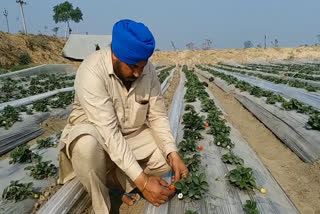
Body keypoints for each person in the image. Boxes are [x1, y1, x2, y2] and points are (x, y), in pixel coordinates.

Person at [58, 19, 188, 214]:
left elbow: (158, 117)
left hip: (130, 138)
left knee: (165, 159)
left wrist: (173, 154)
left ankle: (114, 180)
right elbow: (109, 134)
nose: (138, 73)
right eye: (133, 67)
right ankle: (103, 206)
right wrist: (143, 183)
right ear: (116, 57)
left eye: (142, 67)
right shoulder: (92, 70)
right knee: (86, 147)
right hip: (98, 139)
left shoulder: (147, 72)